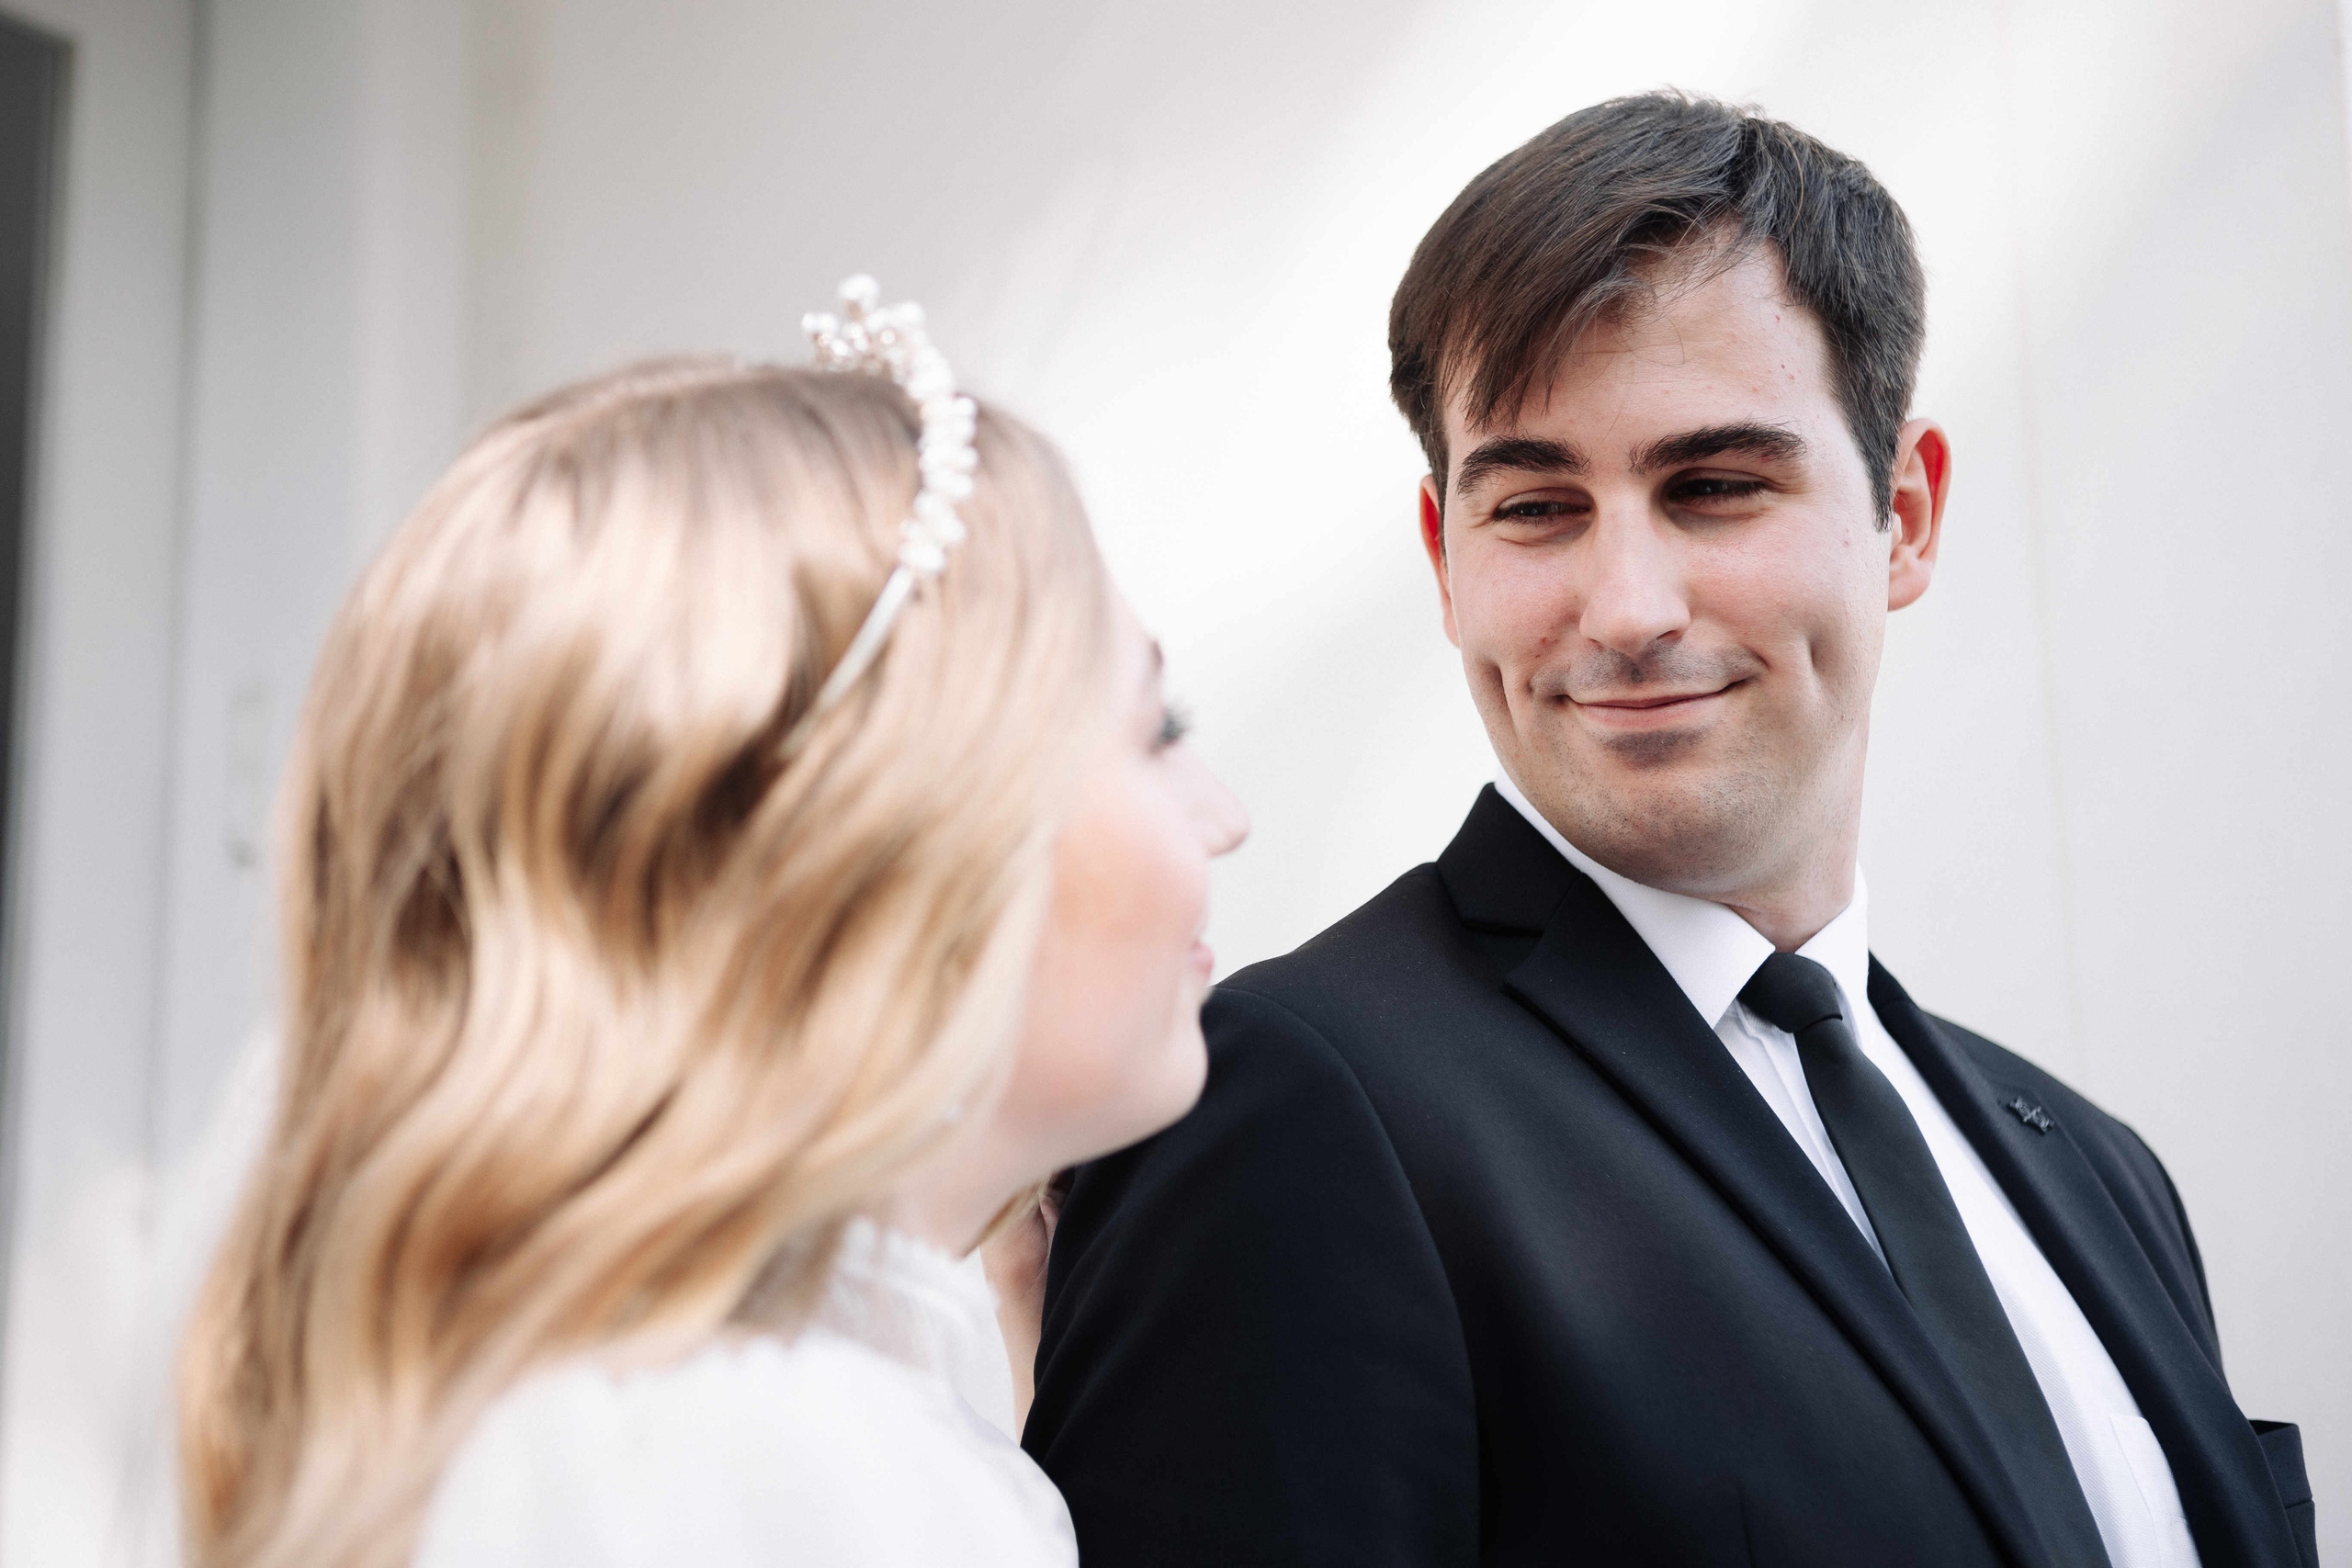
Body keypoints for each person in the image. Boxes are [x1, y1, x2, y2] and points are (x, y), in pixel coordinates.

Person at [1024, 95, 2317, 1568]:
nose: (1628, 609)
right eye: (1536, 507)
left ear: (1906, 515)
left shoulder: (2099, 1173)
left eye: (1713, 488)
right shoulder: (1297, 1113)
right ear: (1447, 559)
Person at [175, 281, 1246, 1568]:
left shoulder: (648, 1410)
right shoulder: (771, 1473)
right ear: (887, 834)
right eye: (1155, 730)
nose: (1221, 816)